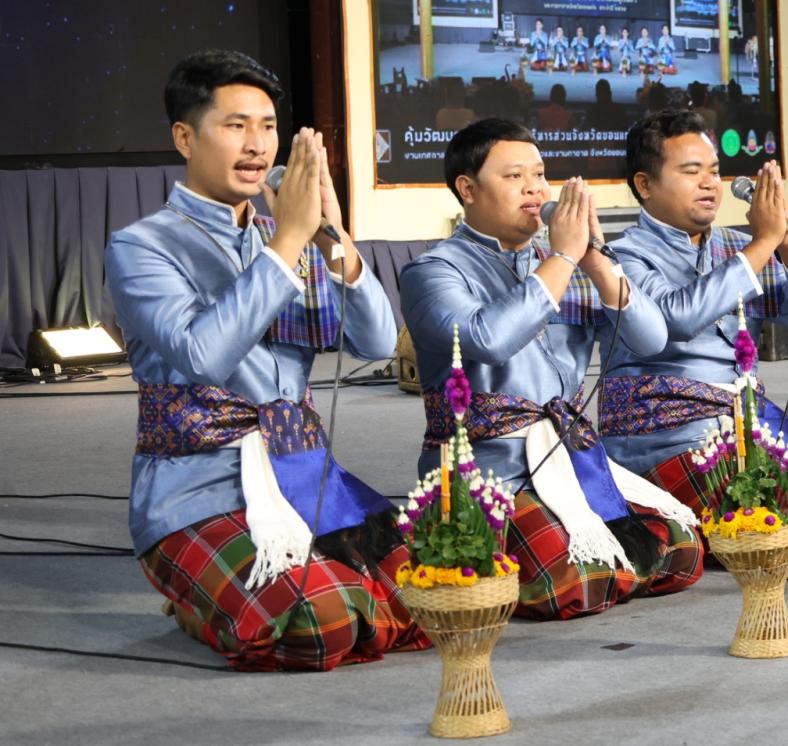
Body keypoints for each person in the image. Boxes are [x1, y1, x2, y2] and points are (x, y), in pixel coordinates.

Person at [105, 50, 424, 671]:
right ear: (184, 138)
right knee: (325, 621)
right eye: (236, 126)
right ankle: (203, 598)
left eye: (269, 127)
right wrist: (287, 242)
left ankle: (270, 588)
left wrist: (332, 235)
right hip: (199, 494)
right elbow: (203, 356)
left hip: (303, 479)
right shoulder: (141, 246)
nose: (257, 145)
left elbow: (377, 342)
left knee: (434, 588)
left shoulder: (292, 236)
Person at [400, 119, 702, 620]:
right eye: (514, 176)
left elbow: (651, 340)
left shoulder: (568, 265)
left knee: (681, 548)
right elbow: (489, 340)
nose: (535, 189)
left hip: (569, 459)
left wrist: (597, 260)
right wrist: (562, 256)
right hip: (489, 470)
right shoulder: (433, 270)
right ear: (468, 190)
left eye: (539, 175)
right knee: (579, 578)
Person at [599, 111, 788, 556]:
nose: (709, 184)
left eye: (714, 172)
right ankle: (702, 524)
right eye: (691, 172)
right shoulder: (622, 256)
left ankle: (722, 532)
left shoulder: (736, 247)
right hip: (668, 436)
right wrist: (761, 245)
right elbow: (678, 318)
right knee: (771, 515)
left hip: (745, 426)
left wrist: (785, 239)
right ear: (645, 184)